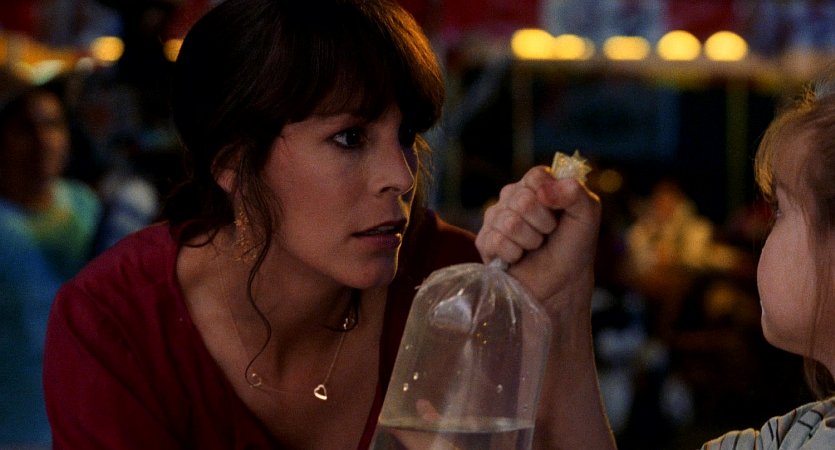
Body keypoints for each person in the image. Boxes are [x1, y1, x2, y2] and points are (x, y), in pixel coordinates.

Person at [43, 0, 611, 449]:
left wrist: (559, 312)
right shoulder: (116, 325)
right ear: (233, 165)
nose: (401, 176)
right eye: (349, 137)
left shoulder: (450, 288)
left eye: (406, 135)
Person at [0, 79, 102, 446]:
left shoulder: (86, 206)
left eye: (53, 124)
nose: (44, 140)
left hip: (81, 424)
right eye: (25, 128)